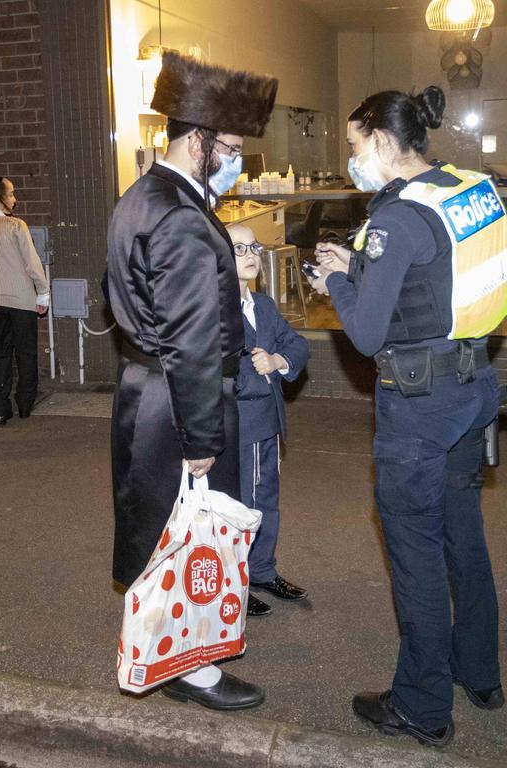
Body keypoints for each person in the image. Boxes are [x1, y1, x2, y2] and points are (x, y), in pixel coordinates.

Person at [309, 86, 504, 746]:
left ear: (386, 142)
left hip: (419, 408)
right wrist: (365, 269)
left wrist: (336, 278)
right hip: (476, 384)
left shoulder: (396, 218)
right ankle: (480, 672)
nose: (351, 156)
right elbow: (440, 280)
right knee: (463, 534)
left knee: (417, 555)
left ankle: (422, 707)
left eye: (356, 143)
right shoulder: (472, 187)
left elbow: (364, 335)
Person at [106, 51, 277, 711]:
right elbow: (192, 339)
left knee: (165, 531)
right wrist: (203, 436)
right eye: (230, 147)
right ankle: (190, 667)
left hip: (148, 389)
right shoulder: (179, 214)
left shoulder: (143, 196)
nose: (234, 160)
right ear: (197, 138)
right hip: (180, 401)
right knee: (188, 537)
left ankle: (174, 657)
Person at [227, 223, 309, 619]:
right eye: (238, 248)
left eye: (253, 246)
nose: (250, 254)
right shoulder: (212, 309)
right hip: (232, 425)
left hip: (266, 423)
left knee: (265, 503)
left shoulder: (263, 306)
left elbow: (297, 345)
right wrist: (252, 367)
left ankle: (260, 571)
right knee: (235, 507)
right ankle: (234, 584)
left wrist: (277, 360)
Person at [0, 174, 49, 425]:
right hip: (22, 299)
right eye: (10, 194)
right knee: (26, 352)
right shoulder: (16, 226)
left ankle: (0, 407)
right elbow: (32, 262)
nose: (14, 200)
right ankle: (25, 403)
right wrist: (43, 291)